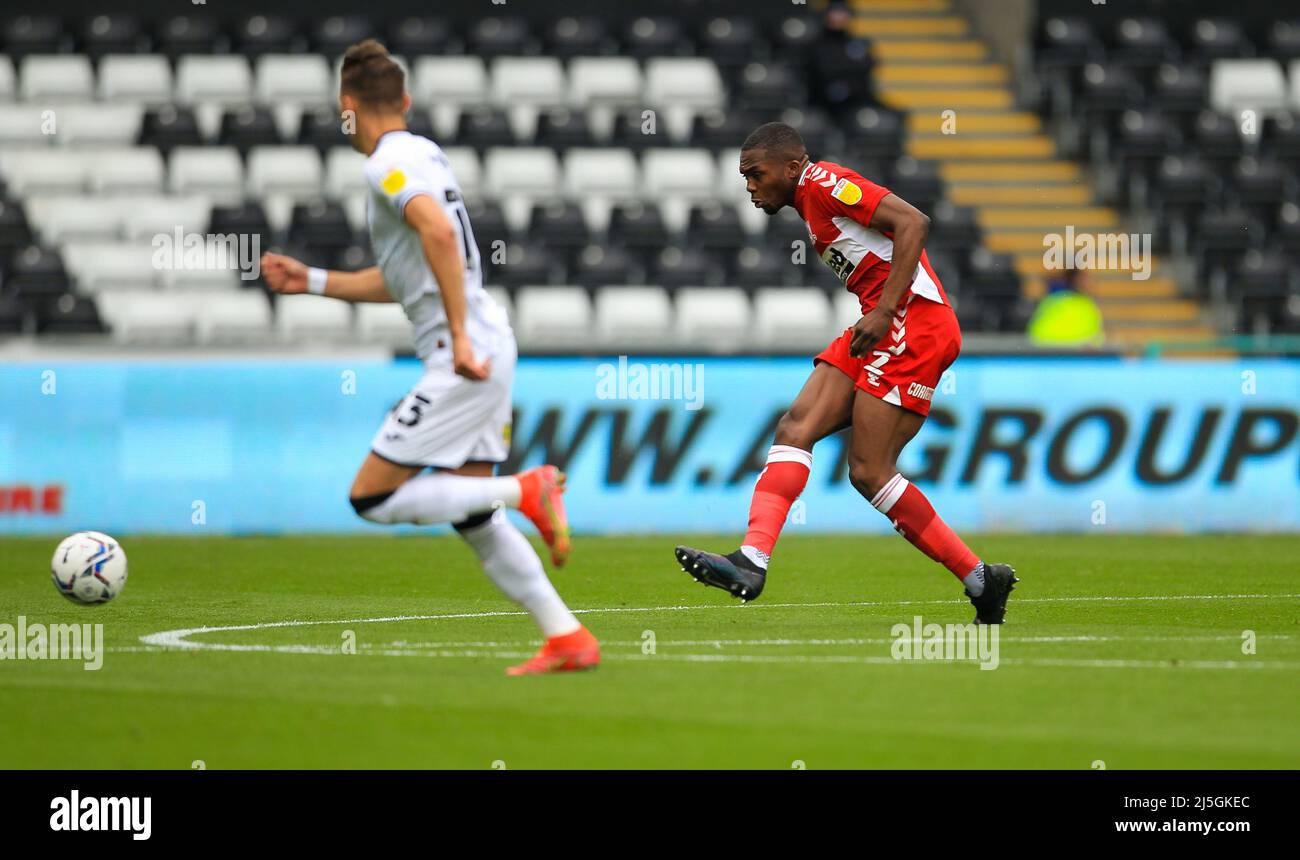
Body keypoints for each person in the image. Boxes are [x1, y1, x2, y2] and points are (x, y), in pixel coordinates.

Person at [261, 40, 599, 674]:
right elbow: (406, 275)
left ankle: (529, 486)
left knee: (371, 499)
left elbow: (437, 235)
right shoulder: (425, 153)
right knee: (474, 518)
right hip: (486, 342)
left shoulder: (386, 165)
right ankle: (567, 638)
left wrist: (459, 338)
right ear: (407, 102)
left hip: (463, 352)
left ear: (347, 106)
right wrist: (310, 280)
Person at [674, 122, 1018, 624]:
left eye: (756, 173)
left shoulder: (824, 183)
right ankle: (751, 561)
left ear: (792, 167)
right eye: (744, 176)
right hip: (881, 323)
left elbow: (914, 223)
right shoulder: (809, 204)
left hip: (911, 322)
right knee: (796, 428)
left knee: (869, 470)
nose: (749, 185)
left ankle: (980, 579)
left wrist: (883, 312)